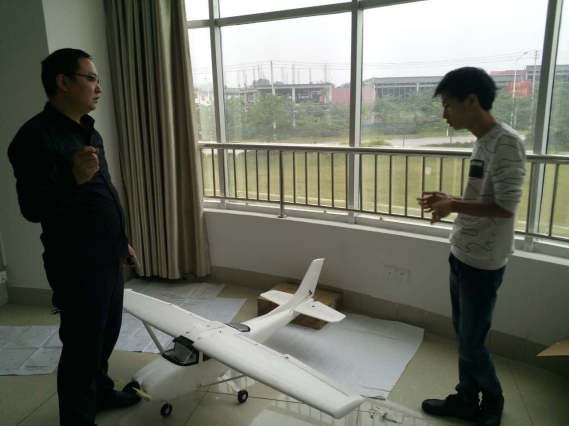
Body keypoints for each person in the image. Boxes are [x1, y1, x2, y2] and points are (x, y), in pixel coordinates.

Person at [8, 48, 140, 426]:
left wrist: (121, 239)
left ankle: (101, 393)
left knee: (106, 334)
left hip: (108, 254)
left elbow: (102, 191)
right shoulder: (33, 138)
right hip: (77, 263)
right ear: (63, 82)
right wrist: (73, 179)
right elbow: (33, 208)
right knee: (82, 347)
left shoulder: (88, 128)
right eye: (91, 78)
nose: (99, 87)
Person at [417, 67, 526, 426]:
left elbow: (506, 207)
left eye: (448, 105)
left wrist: (454, 205)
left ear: (472, 101)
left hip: (485, 261)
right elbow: (483, 197)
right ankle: (466, 399)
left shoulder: (507, 143)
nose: (444, 114)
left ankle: (492, 399)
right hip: (462, 252)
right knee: (464, 335)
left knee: (471, 343)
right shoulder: (483, 141)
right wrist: (450, 199)